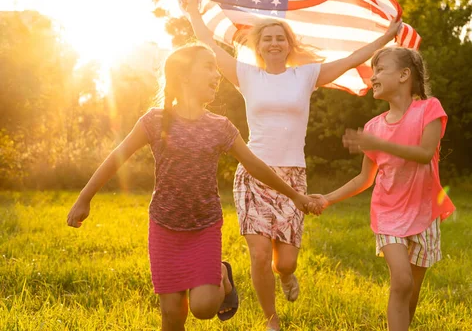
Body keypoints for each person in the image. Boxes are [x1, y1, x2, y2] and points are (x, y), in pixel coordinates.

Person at [183, 0, 401, 331]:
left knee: (284, 262)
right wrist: (194, 11)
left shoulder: (307, 75)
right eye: (267, 38)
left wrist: (386, 37)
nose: (273, 42)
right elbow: (208, 45)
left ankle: (286, 276)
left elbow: (352, 57)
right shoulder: (246, 75)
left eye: (279, 38)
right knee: (258, 254)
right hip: (254, 174)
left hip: (292, 175)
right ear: (258, 45)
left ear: (288, 44)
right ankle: (272, 320)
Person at [66, 44, 319, 331]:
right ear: (184, 75)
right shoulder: (154, 120)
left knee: (203, 308)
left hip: (204, 226)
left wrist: (295, 196)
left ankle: (222, 274)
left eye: (216, 68)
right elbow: (116, 158)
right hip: (164, 226)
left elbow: (255, 165)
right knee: (172, 316)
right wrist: (84, 199)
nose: (217, 74)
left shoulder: (220, 127)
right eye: (208, 67)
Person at [313, 47, 456, 331]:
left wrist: (380, 145)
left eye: (379, 70)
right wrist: (327, 198)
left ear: (404, 75)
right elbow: (364, 178)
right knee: (401, 281)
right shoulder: (374, 127)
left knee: (410, 291)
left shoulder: (430, 109)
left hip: (424, 214)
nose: (373, 76)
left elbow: (425, 153)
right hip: (388, 214)